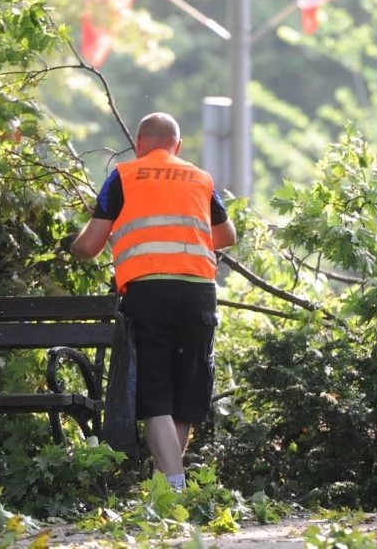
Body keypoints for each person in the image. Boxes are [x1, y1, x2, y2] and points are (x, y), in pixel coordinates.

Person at [65, 112, 237, 491]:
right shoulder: (200, 178)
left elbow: (89, 246)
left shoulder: (124, 176)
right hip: (199, 293)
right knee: (186, 393)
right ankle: (169, 486)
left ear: (139, 144)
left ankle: (173, 488)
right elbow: (227, 235)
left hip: (148, 293)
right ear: (178, 146)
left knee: (155, 392)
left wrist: (71, 245)